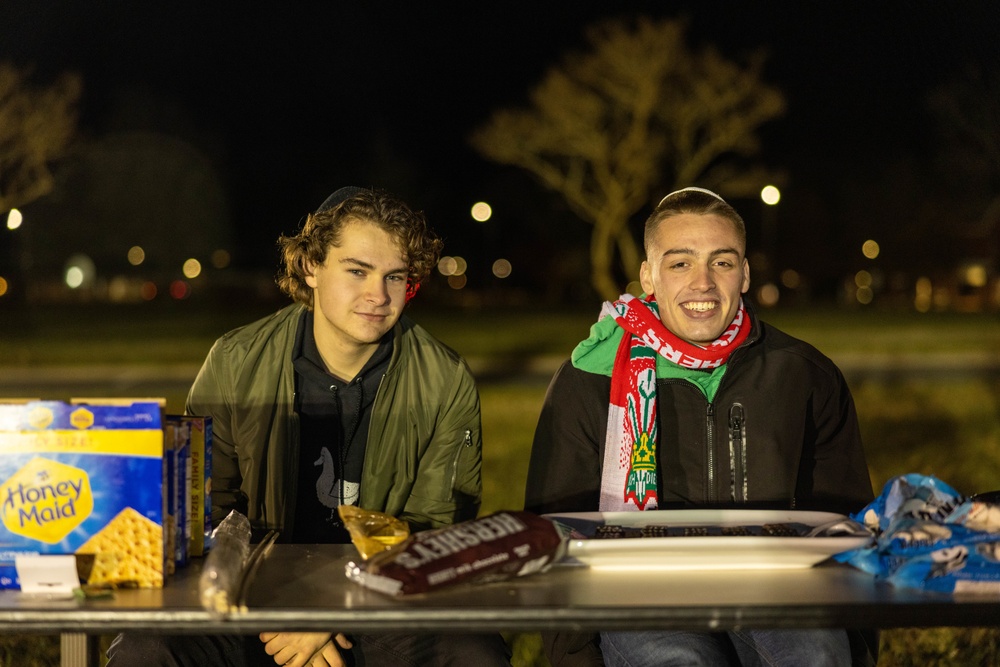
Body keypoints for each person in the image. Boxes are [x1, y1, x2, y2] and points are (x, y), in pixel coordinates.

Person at [107, 187, 511, 666]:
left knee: (472, 652)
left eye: (395, 276)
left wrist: (337, 605)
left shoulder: (444, 380)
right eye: (358, 271)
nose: (378, 295)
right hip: (250, 598)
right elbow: (205, 515)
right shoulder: (237, 362)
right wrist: (281, 607)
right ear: (311, 267)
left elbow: (438, 534)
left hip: (382, 601)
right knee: (147, 649)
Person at [525, 187, 877, 667]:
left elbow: (847, 526)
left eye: (722, 262)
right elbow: (553, 534)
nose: (703, 283)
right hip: (636, 591)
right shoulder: (590, 377)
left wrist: (854, 647)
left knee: (815, 655)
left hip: (773, 584)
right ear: (649, 275)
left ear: (746, 273)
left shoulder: (803, 374)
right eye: (680, 263)